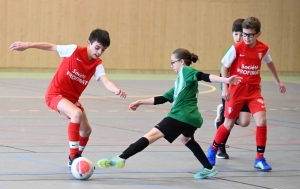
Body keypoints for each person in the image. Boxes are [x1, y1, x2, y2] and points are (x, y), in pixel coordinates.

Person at [97, 48, 242, 179]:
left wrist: (226, 81)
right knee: (185, 139)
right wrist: (140, 101)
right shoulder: (181, 81)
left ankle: (121, 158)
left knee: (151, 135)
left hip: (180, 116)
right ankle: (209, 168)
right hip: (192, 118)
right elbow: (163, 98)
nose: (171, 66)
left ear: (181, 61)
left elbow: (203, 76)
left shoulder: (186, 70)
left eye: (173, 62)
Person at [9, 28, 127, 169]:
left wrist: (116, 90)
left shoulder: (97, 64)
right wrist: (27, 45)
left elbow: (106, 81)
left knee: (86, 131)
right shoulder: (74, 50)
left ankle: (76, 158)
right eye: (97, 48)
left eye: (103, 50)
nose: (99, 52)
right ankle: (73, 157)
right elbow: (51, 46)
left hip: (72, 100)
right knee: (76, 113)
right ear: (88, 43)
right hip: (55, 95)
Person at [207, 17, 286, 171]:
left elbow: (269, 62)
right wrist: (225, 87)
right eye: (244, 34)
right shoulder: (236, 48)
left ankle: (259, 158)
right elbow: (224, 67)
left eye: (250, 35)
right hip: (237, 90)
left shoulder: (263, 48)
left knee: (261, 121)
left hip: (254, 91)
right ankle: (213, 149)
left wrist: (278, 81)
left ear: (258, 34)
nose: (247, 38)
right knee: (228, 124)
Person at [214, 18, 252, 159]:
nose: (239, 38)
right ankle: (220, 147)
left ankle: (222, 115)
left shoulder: (252, 51)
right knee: (227, 121)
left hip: (246, 91)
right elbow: (223, 72)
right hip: (230, 91)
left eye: (241, 34)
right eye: (236, 34)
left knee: (244, 122)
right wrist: (226, 89)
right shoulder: (232, 50)